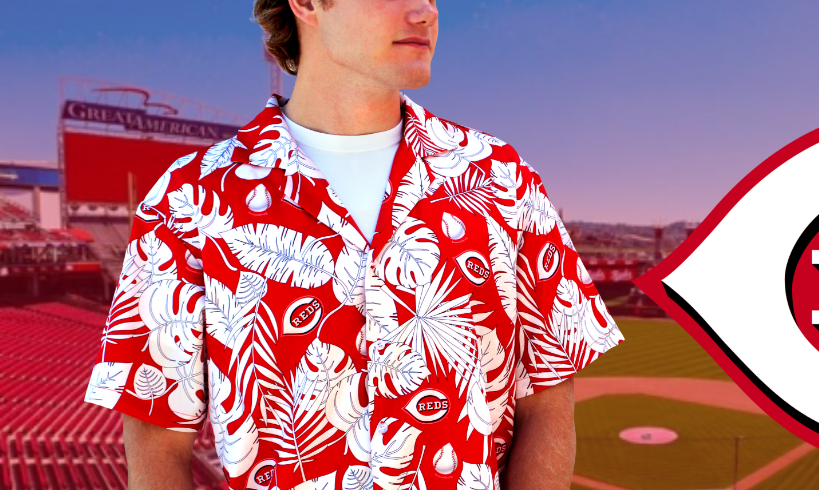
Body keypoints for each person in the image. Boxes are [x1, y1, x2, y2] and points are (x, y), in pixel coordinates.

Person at [82, 1, 625, 489]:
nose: (425, 12)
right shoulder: (189, 199)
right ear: (308, 3)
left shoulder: (502, 181)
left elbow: (549, 403)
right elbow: (157, 440)